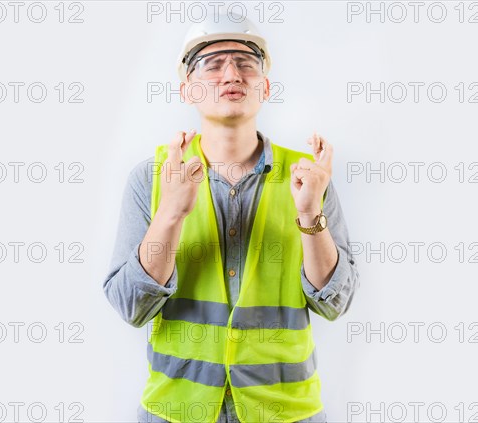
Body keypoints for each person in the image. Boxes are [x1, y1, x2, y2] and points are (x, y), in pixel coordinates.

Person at [103, 12, 360, 423]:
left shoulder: (308, 177)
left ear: (266, 87)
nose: (230, 74)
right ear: (187, 89)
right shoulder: (152, 178)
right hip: (176, 412)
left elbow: (336, 303)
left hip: (285, 414)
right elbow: (131, 307)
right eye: (212, 63)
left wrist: (310, 212)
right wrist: (170, 213)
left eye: (246, 63)